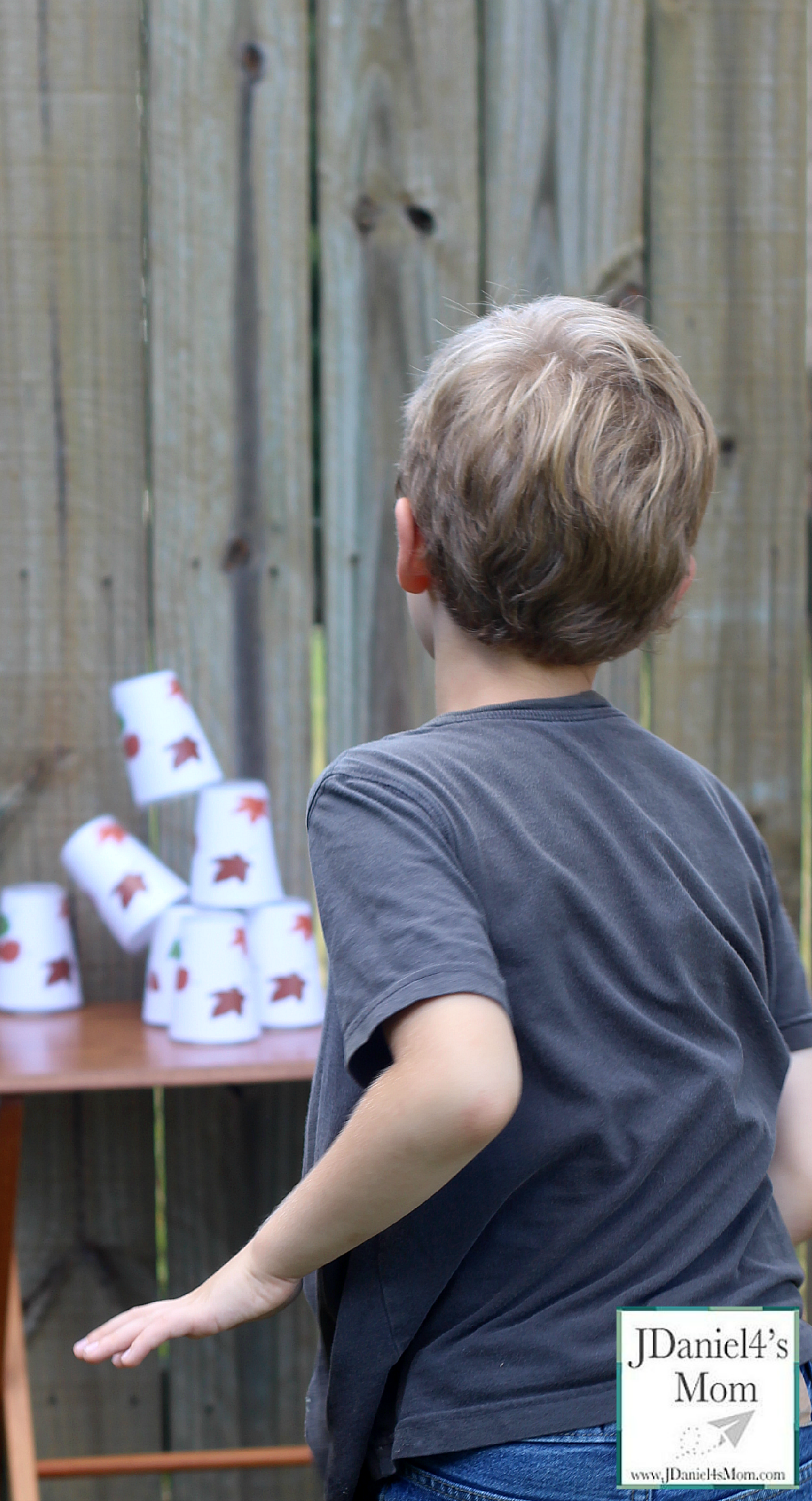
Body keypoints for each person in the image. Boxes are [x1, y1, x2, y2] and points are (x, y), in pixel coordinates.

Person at [74, 297, 812, 1500]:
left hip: (524, 1431)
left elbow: (462, 1083)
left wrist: (257, 1269)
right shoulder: (710, 809)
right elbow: (802, 1155)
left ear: (410, 545)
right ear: (672, 589)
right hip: (745, 1393)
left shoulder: (390, 797)